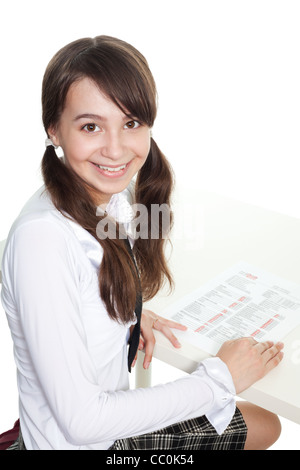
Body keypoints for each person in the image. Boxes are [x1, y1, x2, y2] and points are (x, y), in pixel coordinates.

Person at [1, 35, 283, 451]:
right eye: (91, 126)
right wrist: (219, 376)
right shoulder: (41, 240)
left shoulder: (108, 197)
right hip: (87, 441)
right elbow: (83, 421)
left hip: (104, 428)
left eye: (130, 123)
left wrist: (124, 314)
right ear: (54, 130)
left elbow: (88, 277)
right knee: (260, 422)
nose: (115, 150)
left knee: (265, 424)